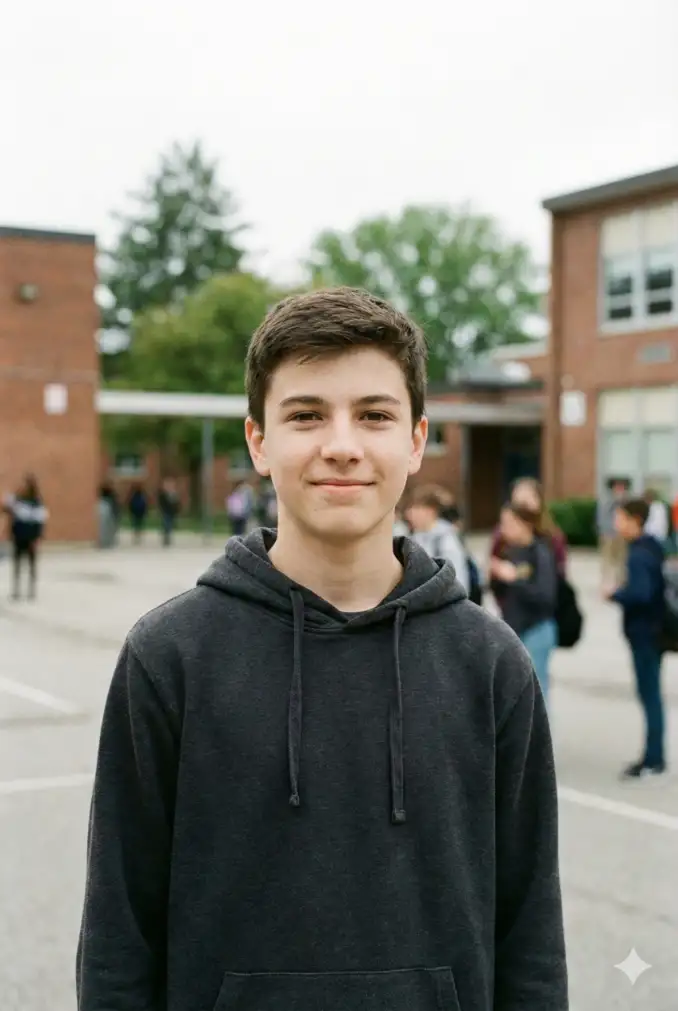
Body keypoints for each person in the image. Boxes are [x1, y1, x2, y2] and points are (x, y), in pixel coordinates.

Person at [77, 287, 568, 1011]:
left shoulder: (491, 665)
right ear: (258, 440)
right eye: (306, 415)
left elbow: (531, 943)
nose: (341, 443)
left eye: (374, 414)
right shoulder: (170, 657)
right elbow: (120, 942)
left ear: (416, 438)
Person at [604, 498, 667, 779]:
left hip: (645, 634)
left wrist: (615, 593)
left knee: (650, 695)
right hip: (656, 631)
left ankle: (654, 759)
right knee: (651, 694)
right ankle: (655, 755)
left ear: (635, 520)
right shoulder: (652, 547)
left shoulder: (639, 554)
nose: (617, 524)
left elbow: (641, 594)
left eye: (621, 518)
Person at [490, 503, 558, 706]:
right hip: (513, 629)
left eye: (509, 523)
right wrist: (494, 577)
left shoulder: (540, 552)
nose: (504, 529)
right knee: (514, 695)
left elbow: (545, 596)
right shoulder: (509, 551)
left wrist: (514, 579)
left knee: (537, 695)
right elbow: (502, 595)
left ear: (525, 524)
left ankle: (542, 738)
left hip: (536, 629)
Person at [490, 477, 567, 577]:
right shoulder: (501, 534)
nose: (523, 508)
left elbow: (559, 573)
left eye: (527, 501)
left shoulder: (552, 536)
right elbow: (493, 565)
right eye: (518, 503)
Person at [405, 484, 470, 595]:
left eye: (416, 508)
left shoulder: (446, 541)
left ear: (430, 511)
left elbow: (458, 581)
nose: (409, 513)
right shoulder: (414, 538)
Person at [3, 474, 48, 600]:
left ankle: (31, 590)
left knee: (31, 564)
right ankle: (16, 590)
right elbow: (6, 510)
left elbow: (40, 522)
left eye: (25, 484)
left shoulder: (36, 502)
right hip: (18, 535)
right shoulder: (18, 500)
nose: (22, 486)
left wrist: (38, 537)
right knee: (17, 563)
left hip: (30, 537)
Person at [597, 477, 629, 587]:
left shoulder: (626, 502)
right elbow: (601, 517)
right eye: (618, 486)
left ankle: (620, 583)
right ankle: (606, 583)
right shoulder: (606, 500)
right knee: (607, 560)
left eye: (622, 487)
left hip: (622, 535)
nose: (620, 489)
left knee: (622, 560)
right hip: (608, 535)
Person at [157, 477, 181, 547]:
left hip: (172, 512)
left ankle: (167, 536)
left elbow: (177, 504)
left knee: (170, 525)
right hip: (165, 512)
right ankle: (166, 538)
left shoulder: (174, 494)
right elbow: (161, 503)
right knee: (166, 524)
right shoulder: (163, 494)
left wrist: (176, 510)